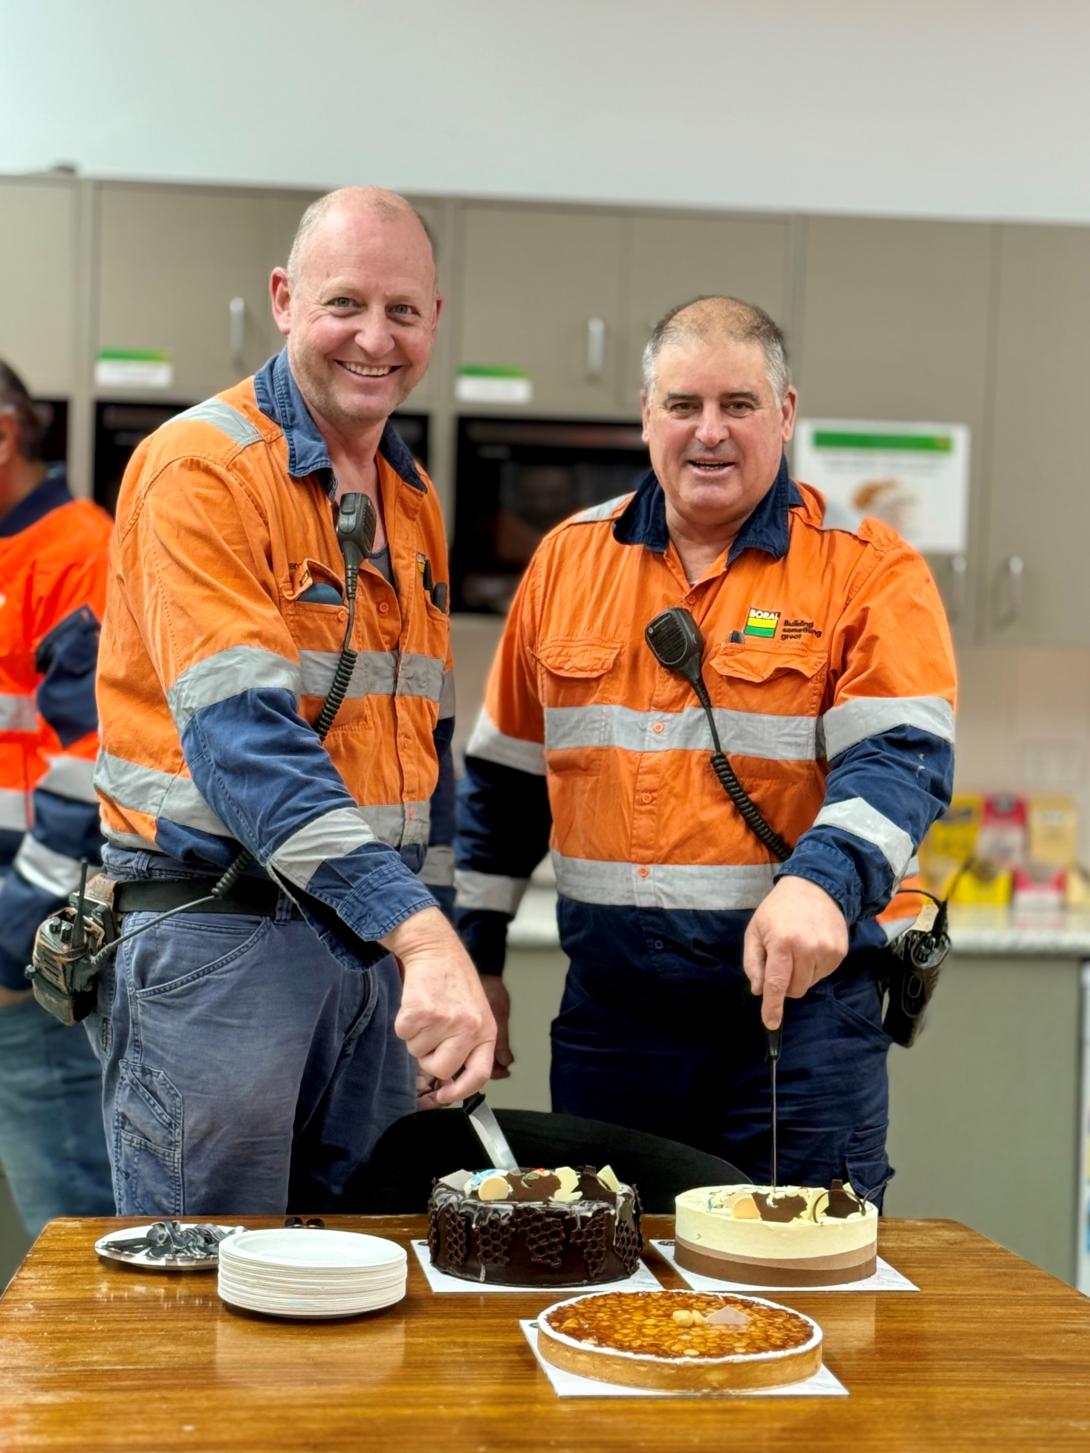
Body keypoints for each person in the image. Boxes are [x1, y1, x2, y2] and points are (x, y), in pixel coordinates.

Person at [455, 296, 956, 1204]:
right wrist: (475, 956)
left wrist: (822, 881)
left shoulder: (868, 569)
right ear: (646, 415)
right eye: (683, 405)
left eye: (740, 405)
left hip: (797, 1029)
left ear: (787, 414)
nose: (710, 433)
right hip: (614, 1030)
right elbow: (503, 784)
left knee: (801, 1290)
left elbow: (902, 760)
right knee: (610, 1292)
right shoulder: (567, 562)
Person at [90, 188, 495, 1217]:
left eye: (402, 312)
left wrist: (442, 947)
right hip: (219, 945)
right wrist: (420, 938)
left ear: (435, 321)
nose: (375, 337)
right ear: (282, 298)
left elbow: (421, 755)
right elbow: (243, 744)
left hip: (365, 960)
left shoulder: (410, 497)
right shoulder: (202, 468)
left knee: (362, 1281)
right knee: (205, 1287)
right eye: (344, 303)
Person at [0, 361, 115, 1235]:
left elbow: (100, 761)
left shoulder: (83, 552)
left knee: (67, 1227)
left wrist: (19, 925)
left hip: (28, 964)